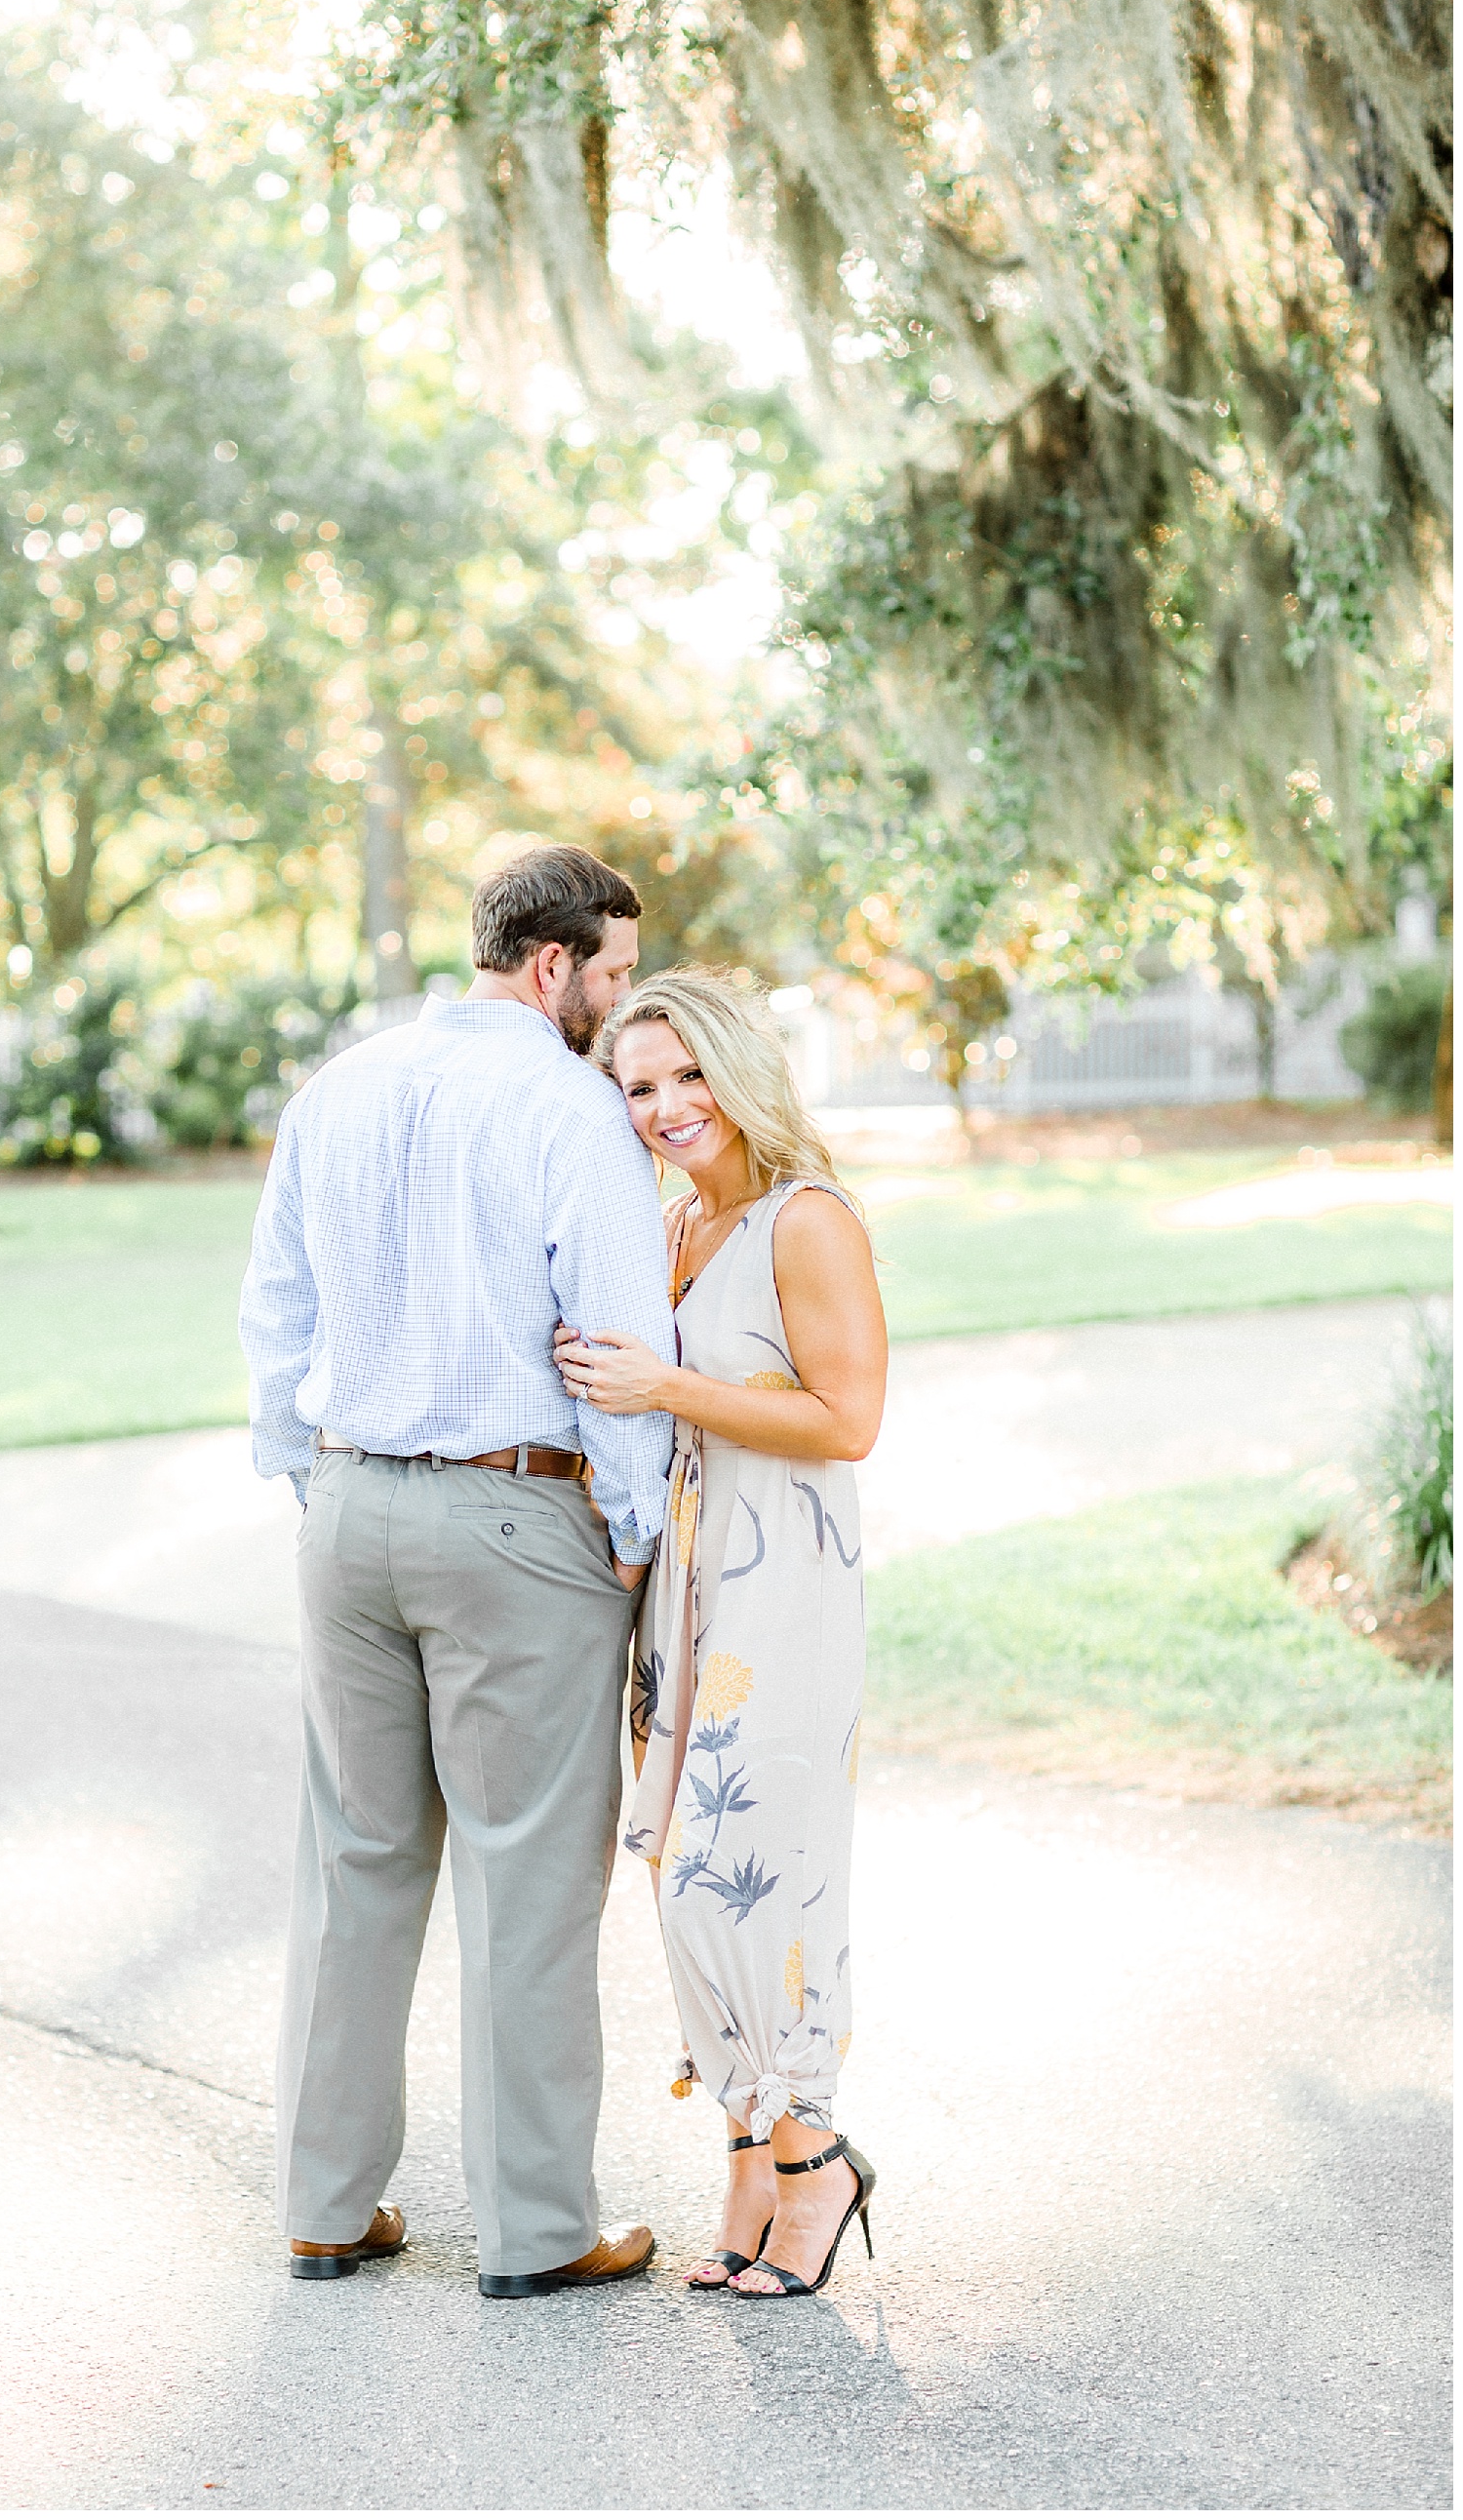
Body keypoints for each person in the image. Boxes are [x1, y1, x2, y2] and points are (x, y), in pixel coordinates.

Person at [239, 845, 678, 2299]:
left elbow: (275, 1312)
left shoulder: (339, 1089)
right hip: (516, 1517)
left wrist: (314, 1476)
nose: (620, 1012)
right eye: (611, 976)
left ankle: (322, 2204)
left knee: (352, 1867)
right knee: (531, 1882)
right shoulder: (572, 1112)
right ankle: (542, 2231)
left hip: (348, 1512)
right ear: (550, 964)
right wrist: (631, 1532)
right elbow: (620, 1348)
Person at [556, 968, 889, 2300]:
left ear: (739, 1068)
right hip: (683, 1592)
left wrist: (668, 1383)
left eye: (688, 1075)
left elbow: (847, 1417)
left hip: (783, 1589)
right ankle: (750, 2153)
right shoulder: (677, 1223)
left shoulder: (805, 1220)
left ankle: (814, 2155)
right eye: (640, 1087)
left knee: (754, 1869)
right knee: (674, 1873)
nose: (667, 1105)